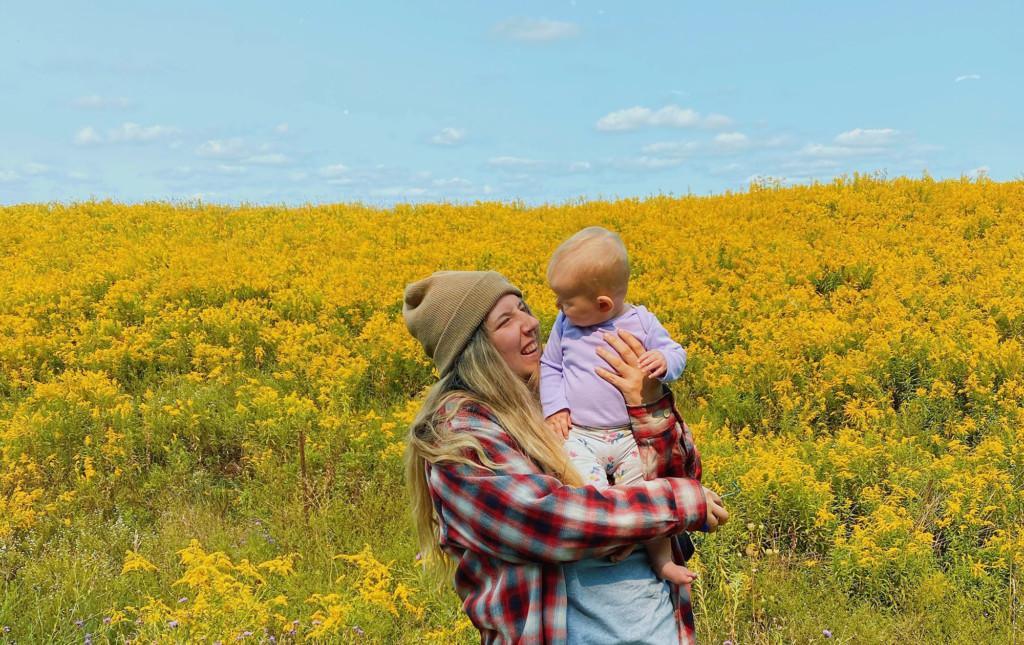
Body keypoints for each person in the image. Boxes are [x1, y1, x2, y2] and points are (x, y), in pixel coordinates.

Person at [402, 270, 728, 644]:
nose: (532, 323)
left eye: (523, 308)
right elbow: (540, 518)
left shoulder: (563, 393)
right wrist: (675, 502)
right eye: (506, 320)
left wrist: (646, 403)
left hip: (658, 629)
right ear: (473, 349)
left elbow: (683, 474)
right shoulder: (459, 432)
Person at [540, 226, 696, 586]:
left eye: (565, 300)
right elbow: (550, 366)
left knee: (648, 494)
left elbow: (676, 352)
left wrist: (662, 360)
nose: (558, 308)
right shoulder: (565, 324)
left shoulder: (641, 321)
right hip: (581, 435)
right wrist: (555, 408)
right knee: (590, 492)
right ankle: (611, 540)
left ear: (602, 305)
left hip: (630, 437)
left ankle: (661, 561)